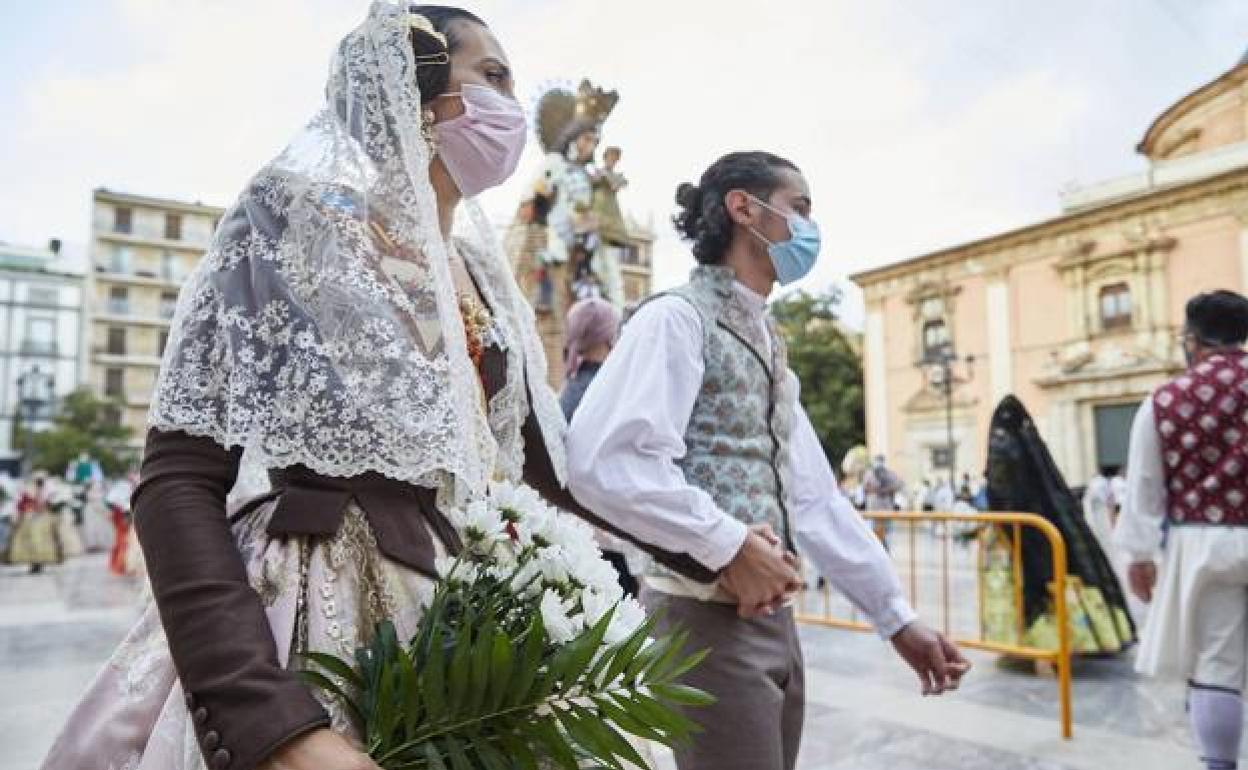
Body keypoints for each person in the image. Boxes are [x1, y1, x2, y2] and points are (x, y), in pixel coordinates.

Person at [41, 7, 708, 770]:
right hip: (313, 608)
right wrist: (273, 724)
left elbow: (549, 474)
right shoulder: (290, 223)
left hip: (462, 613)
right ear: (421, 96)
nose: (511, 110)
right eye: (491, 78)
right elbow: (178, 479)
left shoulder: (487, 275)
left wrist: (716, 558)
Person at [566, 151, 968, 770]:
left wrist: (896, 618)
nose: (809, 226)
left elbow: (813, 497)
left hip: (774, 624)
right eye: (800, 207)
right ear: (742, 208)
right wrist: (726, 542)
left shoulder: (766, 341)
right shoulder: (675, 320)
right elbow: (605, 461)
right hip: (702, 622)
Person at [1115, 289, 1248, 770]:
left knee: (1217, 667)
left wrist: (1140, 554)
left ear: (1191, 339)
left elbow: (1145, 485)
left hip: (1202, 544)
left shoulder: (1163, 400)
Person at [985, 396, 1135, 653]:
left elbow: (1001, 490)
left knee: (1039, 584)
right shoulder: (1033, 449)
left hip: (1025, 532)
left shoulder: (1003, 445)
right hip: (1048, 526)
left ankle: (1044, 644)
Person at [558, 296, 639, 596]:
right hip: (610, 535)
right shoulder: (614, 389)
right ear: (609, 336)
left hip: (570, 533)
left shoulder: (567, 389)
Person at [7, 471, 62, 573]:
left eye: (41, 480)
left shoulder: (46, 491)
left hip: (42, 518)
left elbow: (49, 503)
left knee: (43, 540)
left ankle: (40, 562)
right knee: (32, 540)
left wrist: (46, 505)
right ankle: (34, 563)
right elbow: (20, 504)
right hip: (30, 518)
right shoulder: (28, 490)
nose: (40, 482)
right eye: (38, 480)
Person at [1083, 467, 1114, 558]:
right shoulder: (1103, 482)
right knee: (1103, 528)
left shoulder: (1094, 482)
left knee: (1099, 527)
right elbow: (1108, 495)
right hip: (1101, 506)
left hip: (1097, 507)